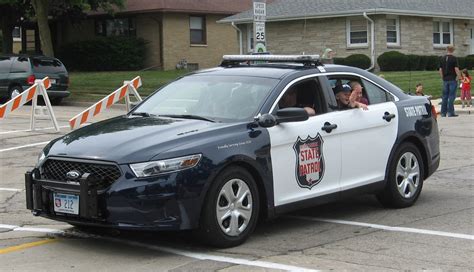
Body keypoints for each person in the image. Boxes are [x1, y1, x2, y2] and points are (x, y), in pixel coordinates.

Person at [439, 45, 461, 117]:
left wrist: (442, 77)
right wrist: (459, 77)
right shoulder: (454, 58)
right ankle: (450, 112)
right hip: (452, 79)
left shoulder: (442, 58)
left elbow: (440, 69)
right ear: (453, 50)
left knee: (444, 96)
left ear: (446, 50)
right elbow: (456, 69)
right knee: (451, 96)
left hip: (445, 79)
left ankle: (443, 113)